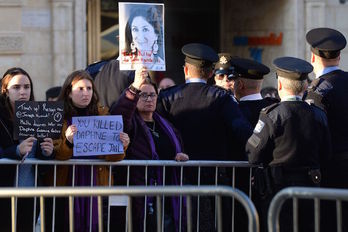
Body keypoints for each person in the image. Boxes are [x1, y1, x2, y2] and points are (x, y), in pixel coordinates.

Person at [157, 43, 253, 231]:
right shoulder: (221, 97)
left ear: (185, 70)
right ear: (210, 74)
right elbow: (241, 129)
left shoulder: (167, 97)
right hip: (214, 174)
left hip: (178, 174)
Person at [246, 57, 331, 232]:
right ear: (305, 87)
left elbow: (252, 153)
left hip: (278, 190)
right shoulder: (318, 114)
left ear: (280, 85)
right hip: (311, 188)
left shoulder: (271, 115)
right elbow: (326, 153)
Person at [48, 70, 130, 232]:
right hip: (65, 186)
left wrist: (122, 144)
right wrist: (69, 142)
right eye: (80, 89)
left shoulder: (103, 115)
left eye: (89, 88)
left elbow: (114, 157)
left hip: (98, 185)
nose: (86, 93)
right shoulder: (57, 117)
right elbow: (57, 155)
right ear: (69, 93)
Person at [110, 66, 188, 232]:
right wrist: (134, 87)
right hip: (140, 197)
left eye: (152, 94)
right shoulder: (131, 124)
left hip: (167, 194)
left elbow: (172, 150)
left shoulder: (167, 126)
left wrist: (179, 157)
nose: (148, 99)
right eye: (142, 95)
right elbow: (120, 116)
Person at [0, 67, 55, 231]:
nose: (23, 92)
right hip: (4, 192)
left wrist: (47, 152)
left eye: (27, 87)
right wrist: (16, 151)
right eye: (16, 87)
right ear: (5, 91)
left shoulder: (39, 116)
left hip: (30, 194)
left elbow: (42, 163)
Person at [304, 27, 348, 232]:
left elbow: (313, 134)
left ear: (313, 57)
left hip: (331, 170)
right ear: (339, 56)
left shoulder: (318, 91)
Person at [232, 57, 279, 127]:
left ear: (240, 84)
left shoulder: (233, 111)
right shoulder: (275, 107)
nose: (232, 85)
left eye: (233, 81)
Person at [121, 6, 165, 71]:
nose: (140, 36)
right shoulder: (123, 65)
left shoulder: (162, 66)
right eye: (135, 29)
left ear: (156, 34)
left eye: (145, 29)